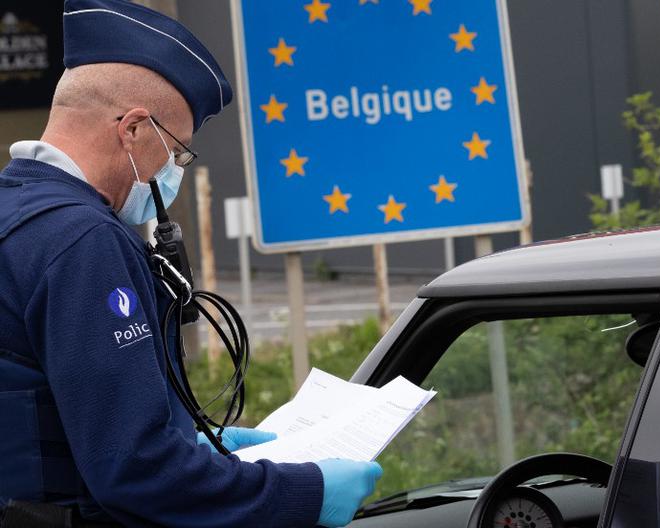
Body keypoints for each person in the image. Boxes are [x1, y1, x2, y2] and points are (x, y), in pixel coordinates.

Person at [0, 1, 380, 526]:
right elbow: (140, 476)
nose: (175, 170)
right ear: (133, 130)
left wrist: (183, 438)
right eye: (177, 151)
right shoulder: (82, 241)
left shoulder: (15, 215)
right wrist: (304, 492)